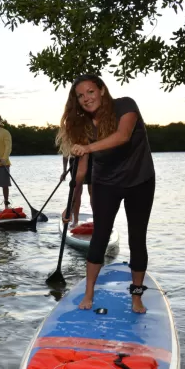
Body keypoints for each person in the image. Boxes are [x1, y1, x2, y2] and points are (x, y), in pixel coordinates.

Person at [57, 74, 155, 314]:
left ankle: (136, 297)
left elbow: (123, 136)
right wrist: (71, 204)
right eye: (80, 96)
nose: (86, 98)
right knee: (99, 237)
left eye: (90, 91)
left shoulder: (125, 106)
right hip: (105, 183)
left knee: (137, 238)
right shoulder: (82, 125)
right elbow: (81, 172)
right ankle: (89, 293)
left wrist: (88, 147)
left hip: (139, 181)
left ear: (102, 90)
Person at [61, 153, 93, 228]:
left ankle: (97, 220)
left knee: (92, 191)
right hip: (75, 161)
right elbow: (65, 153)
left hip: (91, 160)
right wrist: (64, 171)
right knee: (77, 191)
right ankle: (75, 221)